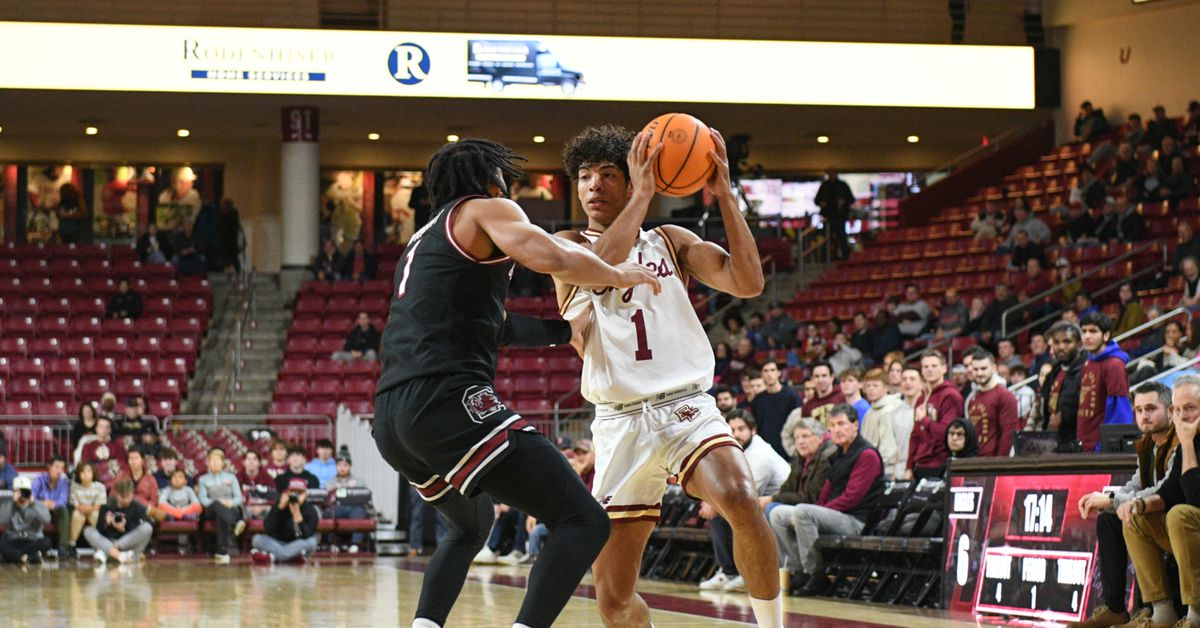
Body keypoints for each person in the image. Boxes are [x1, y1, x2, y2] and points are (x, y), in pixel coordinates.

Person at [373, 136, 661, 628]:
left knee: (471, 525)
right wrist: (614, 274)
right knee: (584, 521)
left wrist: (561, 331)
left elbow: (492, 326)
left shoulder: (425, 240)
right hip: (446, 401)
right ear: (491, 180)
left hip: (391, 419)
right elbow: (546, 254)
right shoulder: (486, 208)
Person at [554, 124, 785, 627]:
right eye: (585, 176)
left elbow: (748, 282)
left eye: (608, 174)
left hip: (685, 407)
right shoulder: (567, 246)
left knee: (742, 498)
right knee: (614, 602)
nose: (593, 185)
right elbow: (601, 264)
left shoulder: (671, 241)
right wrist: (641, 194)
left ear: (635, 175)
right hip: (619, 424)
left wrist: (726, 197)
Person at [1070, 382, 1183, 628]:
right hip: (1158, 515)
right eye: (1139, 409)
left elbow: (1164, 489)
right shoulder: (1148, 444)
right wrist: (1108, 500)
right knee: (1109, 520)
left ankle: (1160, 613)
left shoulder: (1180, 442)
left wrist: (1111, 500)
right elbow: (1135, 485)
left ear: (1170, 410)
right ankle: (1115, 609)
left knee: (1133, 516)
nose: (1144, 415)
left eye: (1151, 408)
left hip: (1177, 518)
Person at [770, 404, 884, 596]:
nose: (836, 429)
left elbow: (851, 498)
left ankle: (815, 573)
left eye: (841, 424)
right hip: (836, 516)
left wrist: (819, 511)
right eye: (832, 425)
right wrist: (818, 510)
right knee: (778, 514)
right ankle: (796, 571)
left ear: (855, 425)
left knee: (803, 511)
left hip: (856, 520)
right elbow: (826, 490)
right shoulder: (838, 454)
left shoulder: (867, 455)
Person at [698, 412, 790, 593]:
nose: (736, 434)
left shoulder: (760, 454)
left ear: (753, 430)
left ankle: (745, 573)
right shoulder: (735, 450)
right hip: (760, 505)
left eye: (741, 429)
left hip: (778, 507)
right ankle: (730, 571)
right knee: (722, 515)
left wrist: (714, 505)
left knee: (732, 515)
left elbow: (743, 496)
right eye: (731, 430)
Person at [1164, 377, 1200, 628]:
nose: (1183, 416)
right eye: (1177, 409)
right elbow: (1171, 492)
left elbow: (1196, 500)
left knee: (1179, 515)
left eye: (1190, 408)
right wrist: (1136, 505)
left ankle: (1194, 616)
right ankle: (1160, 613)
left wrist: (1186, 443)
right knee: (1137, 521)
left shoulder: (1186, 441)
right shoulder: (1186, 442)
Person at [1078, 313, 1134, 451]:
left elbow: (1120, 412)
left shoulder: (1114, 365)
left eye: (1093, 331)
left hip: (1100, 448)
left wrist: (1105, 446)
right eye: (1084, 331)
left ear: (1106, 335)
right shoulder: (1087, 362)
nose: (1087, 336)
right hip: (1083, 444)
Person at [907, 350, 963, 479]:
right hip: (920, 464)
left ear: (944, 368)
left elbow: (948, 433)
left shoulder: (950, 396)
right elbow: (915, 435)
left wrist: (925, 420)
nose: (929, 370)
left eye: (934, 366)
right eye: (925, 367)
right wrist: (909, 466)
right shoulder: (922, 397)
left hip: (940, 464)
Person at [767, 415, 837, 509]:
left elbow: (810, 498)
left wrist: (772, 498)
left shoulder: (826, 459)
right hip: (799, 507)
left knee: (772, 508)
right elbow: (786, 489)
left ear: (820, 438)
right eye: (797, 438)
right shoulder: (799, 459)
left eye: (805, 436)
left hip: (817, 509)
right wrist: (774, 499)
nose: (800, 442)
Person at [1040, 321, 1089, 448]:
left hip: (1077, 442)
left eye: (1067, 342)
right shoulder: (1054, 372)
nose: (1061, 347)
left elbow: (1090, 407)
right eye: (1056, 342)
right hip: (1053, 441)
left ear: (1079, 345)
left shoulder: (1087, 371)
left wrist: (1064, 415)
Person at [250, 478, 321, 565]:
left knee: (312, 542)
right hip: (276, 542)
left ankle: (272, 557)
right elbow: (268, 529)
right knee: (257, 539)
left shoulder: (311, 510)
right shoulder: (279, 505)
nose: (295, 496)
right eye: (293, 492)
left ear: (305, 494)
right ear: (287, 492)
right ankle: (293, 557)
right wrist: (279, 509)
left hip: (297, 544)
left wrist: (298, 518)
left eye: (299, 493)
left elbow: (308, 535)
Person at [84, 477, 154, 565]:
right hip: (109, 541)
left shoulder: (138, 507)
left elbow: (136, 533)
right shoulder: (107, 505)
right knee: (88, 530)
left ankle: (110, 553)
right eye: (122, 497)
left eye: (128, 496)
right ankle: (118, 555)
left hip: (127, 545)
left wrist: (123, 529)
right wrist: (106, 523)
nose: (126, 500)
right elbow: (99, 529)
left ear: (132, 494)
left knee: (147, 527)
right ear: (117, 494)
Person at [964, 350, 1020, 457]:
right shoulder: (972, 397)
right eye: (976, 369)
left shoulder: (1004, 395)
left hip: (992, 462)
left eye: (983, 368)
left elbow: (1009, 433)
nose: (979, 373)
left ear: (994, 368)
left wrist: (999, 463)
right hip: (974, 460)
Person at [196, 448, 246, 564]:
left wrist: (230, 503)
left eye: (217, 460)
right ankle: (234, 524)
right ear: (208, 463)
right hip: (210, 509)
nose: (214, 462)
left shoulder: (231, 478)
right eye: (211, 460)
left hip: (229, 508)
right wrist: (218, 503)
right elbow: (203, 499)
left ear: (223, 462)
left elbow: (238, 498)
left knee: (222, 516)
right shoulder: (203, 479)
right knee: (218, 506)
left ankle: (222, 552)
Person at [862, 368, 909, 479]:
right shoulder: (870, 411)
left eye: (875, 385)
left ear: (886, 388)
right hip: (871, 465)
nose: (871, 389)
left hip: (885, 468)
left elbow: (888, 448)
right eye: (868, 386)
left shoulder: (890, 410)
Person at [750, 361, 803, 458]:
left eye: (772, 370)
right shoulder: (758, 400)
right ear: (762, 374)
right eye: (766, 371)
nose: (769, 374)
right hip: (766, 451)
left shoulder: (792, 396)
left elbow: (798, 423)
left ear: (779, 372)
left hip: (788, 449)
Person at [0, 476, 52, 564]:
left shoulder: (38, 504)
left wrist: (33, 503)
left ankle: (16, 557)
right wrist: (13, 502)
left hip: (33, 539)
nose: (21, 495)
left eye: (24, 492)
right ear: (13, 492)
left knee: (47, 542)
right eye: (18, 491)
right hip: (13, 539)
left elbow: (47, 520)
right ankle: (30, 557)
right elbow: (2, 520)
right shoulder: (8, 504)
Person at [32, 455, 71, 555]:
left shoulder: (64, 482)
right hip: (40, 511)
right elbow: (31, 498)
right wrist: (42, 503)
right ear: (49, 467)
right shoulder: (39, 480)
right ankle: (32, 544)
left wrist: (53, 504)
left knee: (64, 510)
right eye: (57, 467)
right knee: (32, 509)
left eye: (62, 468)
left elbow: (63, 500)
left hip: (55, 511)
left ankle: (63, 547)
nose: (59, 470)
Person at [814, 169, 854, 260]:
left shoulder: (842, 185)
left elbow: (851, 199)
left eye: (833, 174)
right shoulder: (824, 186)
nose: (832, 176)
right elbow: (816, 200)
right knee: (827, 238)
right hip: (828, 216)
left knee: (842, 238)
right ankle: (825, 258)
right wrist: (822, 203)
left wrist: (843, 202)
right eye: (830, 174)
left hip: (840, 216)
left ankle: (845, 257)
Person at [116, 448, 163, 521]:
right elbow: (114, 497)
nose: (133, 461)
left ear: (142, 460)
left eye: (136, 458)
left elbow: (154, 501)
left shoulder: (150, 479)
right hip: (125, 510)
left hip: (144, 511)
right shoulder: (121, 477)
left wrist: (141, 504)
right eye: (131, 458)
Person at [69, 461, 107, 552]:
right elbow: (76, 506)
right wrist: (83, 508)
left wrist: (89, 508)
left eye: (89, 471)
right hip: (80, 511)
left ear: (93, 473)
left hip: (93, 510)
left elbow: (97, 506)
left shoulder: (100, 486)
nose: (86, 474)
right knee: (76, 514)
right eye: (83, 472)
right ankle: (72, 544)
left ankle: (98, 545)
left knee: (95, 514)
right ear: (78, 474)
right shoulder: (74, 486)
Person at [802, 361, 845, 427]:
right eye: (817, 376)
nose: (821, 380)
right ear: (812, 379)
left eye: (824, 375)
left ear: (832, 377)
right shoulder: (807, 406)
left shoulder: (843, 396)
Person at [239, 450, 275, 520]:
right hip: (245, 507)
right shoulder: (237, 477)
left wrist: (263, 506)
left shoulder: (267, 478)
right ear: (244, 462)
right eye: (248, 459)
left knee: (272, 509)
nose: (251, 462)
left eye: (254, 459)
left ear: (259, 463)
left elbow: (274, 497)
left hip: (263, 507)